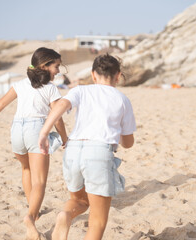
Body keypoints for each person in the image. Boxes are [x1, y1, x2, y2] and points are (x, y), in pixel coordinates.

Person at [38, 53, 136, 240]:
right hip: (98, 152)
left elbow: (60, 105)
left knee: (79, 200)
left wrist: (44, 132)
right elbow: (128, 142)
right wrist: (122, 138)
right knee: (97, 221)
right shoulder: (122, 99)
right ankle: (65, 217)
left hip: (73, 150)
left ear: (93, 75)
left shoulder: (81, 91)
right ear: (118, 76)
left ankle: (65, 215)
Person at [0, 47, 68, 240]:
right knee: (40, 181)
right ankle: (30, 217)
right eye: (57, 66)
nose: (59, 71)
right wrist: (65, 138)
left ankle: (34, 211)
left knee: (26, 169)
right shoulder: (51, 89)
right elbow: (58, 118)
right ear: (44, 66)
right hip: (36, 129)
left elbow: (1, 103)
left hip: (17, 130)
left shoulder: (20, 84)